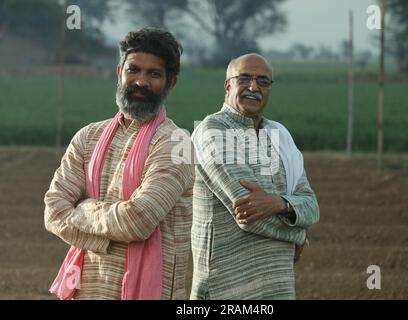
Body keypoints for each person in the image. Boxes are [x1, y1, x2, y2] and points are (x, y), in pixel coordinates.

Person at [44, 28, 194, 300]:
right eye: (133, 70)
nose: (141, 82)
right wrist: (105, 234)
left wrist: (82, 209)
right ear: (119, 73)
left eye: (154, 74)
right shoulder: (88, 137)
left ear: (171, 83)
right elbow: (53, 211)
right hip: (86, 288)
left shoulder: (176, 145)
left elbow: (138, 220)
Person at [190, 53, 320, 300]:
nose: (254, 87)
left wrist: (279, 203)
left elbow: (312, 206)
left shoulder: (279, 135)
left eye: (263, 81)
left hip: (278, 287)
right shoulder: (214, 132)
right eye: (245, 79)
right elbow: (250, 216)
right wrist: (298, 233)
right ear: (228, 85)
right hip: (226, 288)